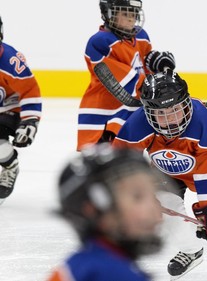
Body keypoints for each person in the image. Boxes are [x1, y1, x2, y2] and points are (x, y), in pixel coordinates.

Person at [112, 69, 207, 279]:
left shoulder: (205, 124)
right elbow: (120, 162)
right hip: (166, 169)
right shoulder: (138, 123)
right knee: (165, 209)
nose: (170, 120)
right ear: (149, 112)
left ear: (186, 104)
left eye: (175, 110)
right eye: (161, 114)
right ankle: (191, 250)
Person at [48, 143, 164, 281]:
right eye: (137, 197)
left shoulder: (84, 264)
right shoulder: (107, 273)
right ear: (93, 210)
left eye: (153, 195)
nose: (154, 211)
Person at [77, 0, 176, 151]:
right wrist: (156, 88)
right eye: (125, 14)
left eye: (134, 14)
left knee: (133, 157)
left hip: (132, 106)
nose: (131, 18)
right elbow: (121, 79)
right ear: (109, 14)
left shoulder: (141, 36)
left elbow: (144, 61)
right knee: (103, 162)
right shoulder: (99, 42)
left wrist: (158, 63)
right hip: (105, 112)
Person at [0, 16, 42, 204]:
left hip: (10, 109)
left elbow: (30, 89)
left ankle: (10, 165)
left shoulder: (10, 61)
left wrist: (30, 120)